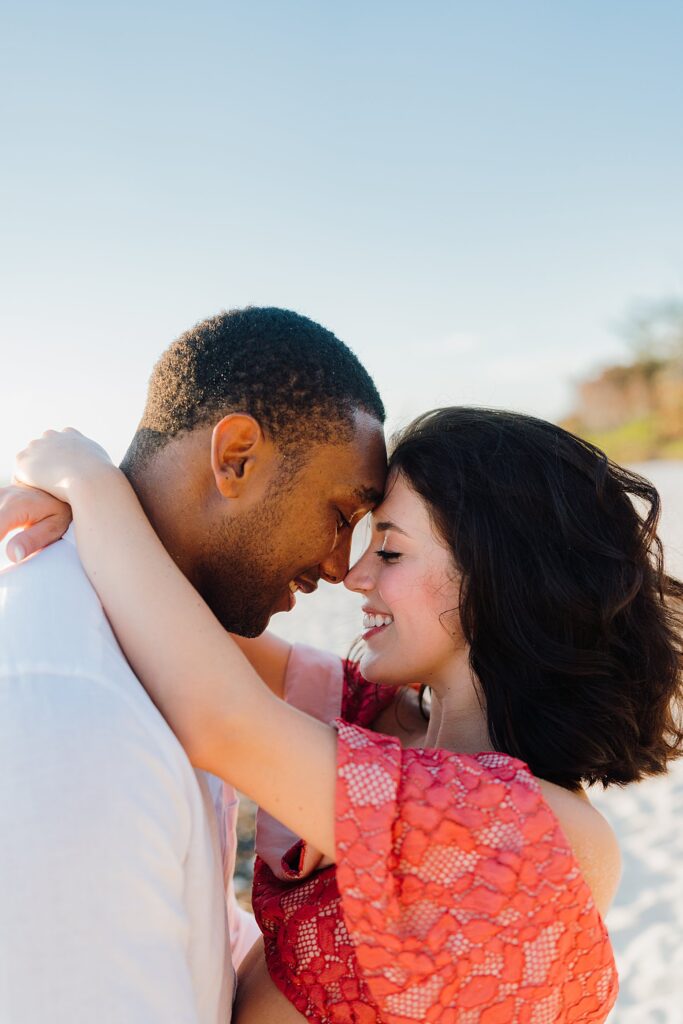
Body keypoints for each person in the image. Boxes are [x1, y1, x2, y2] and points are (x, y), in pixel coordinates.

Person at [4, 409, 683, 1024]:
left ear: (501, 578)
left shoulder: (541, 829)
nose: (354, 576)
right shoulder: (383, 719)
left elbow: (219, 717)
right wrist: (82, 527)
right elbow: (189, 614)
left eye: (389, 551)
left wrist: (90, 481)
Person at [0, 306, 387, 1023]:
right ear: (235, 457)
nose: (341, 566)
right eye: (340, 513)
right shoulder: (72, 708)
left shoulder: (164, 656)